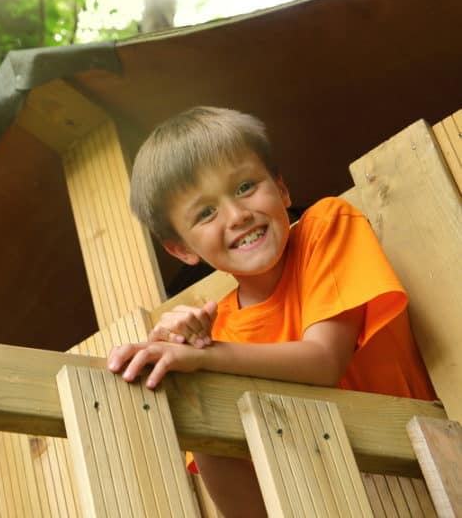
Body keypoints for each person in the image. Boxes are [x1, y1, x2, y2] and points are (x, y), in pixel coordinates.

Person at [106, 106, 435, 516]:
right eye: (205, 212)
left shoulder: (326, 226)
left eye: (245, 187)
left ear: (281, 190)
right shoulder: (219, 331)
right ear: (182, 249)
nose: (237, 214)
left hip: (425, 474)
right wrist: (184, 376)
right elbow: (242, 499)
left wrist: (203, 358)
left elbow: (324, 360)